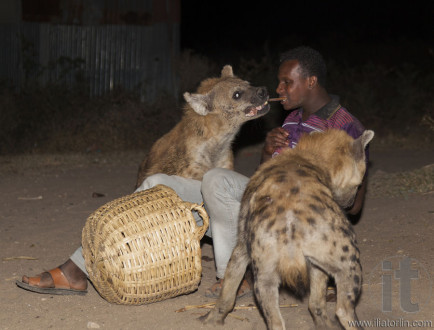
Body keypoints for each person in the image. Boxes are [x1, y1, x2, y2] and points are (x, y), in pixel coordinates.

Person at [17, 46, 369, 299]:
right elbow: (262, 180)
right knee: (155, 184)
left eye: (285, 83)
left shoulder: (346, 126)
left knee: (215, 179)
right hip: (262, 205)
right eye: (278, 83)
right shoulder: (292, 121)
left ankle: (235, 277)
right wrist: (268, 151)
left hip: (294, 221)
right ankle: (78, 267)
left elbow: (352, 205)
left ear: (310, 81)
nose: (276, 90)